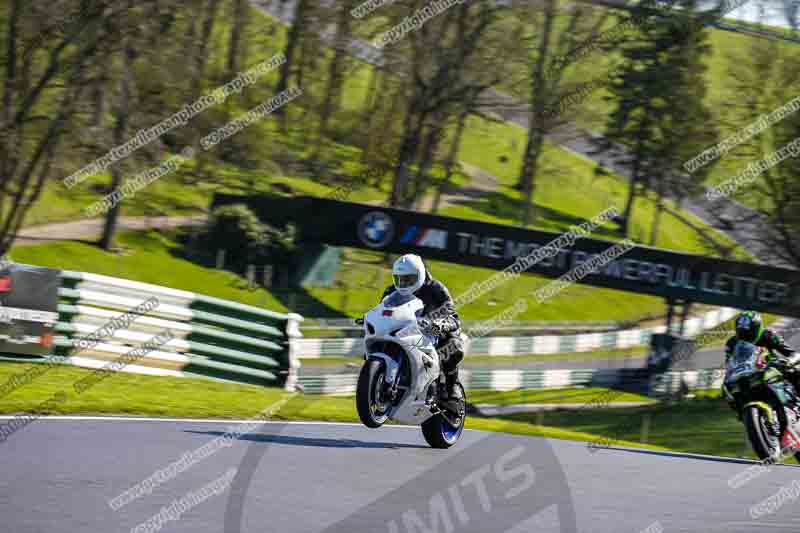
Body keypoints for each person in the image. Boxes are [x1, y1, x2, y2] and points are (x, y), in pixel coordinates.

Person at [382, 254, 464, 402]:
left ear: (420, 275)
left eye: (408, 279)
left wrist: (441, 324)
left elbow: (453, 316)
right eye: (400, 279)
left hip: (433, 332)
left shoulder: (436, 289)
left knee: (453, 346)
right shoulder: (391, 292)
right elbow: (381, 311)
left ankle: (452, 385)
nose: (404, 283)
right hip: (405, 330)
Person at [725, 311, 800, 449]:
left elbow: (792, 353)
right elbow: (729, 363)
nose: (746, 336)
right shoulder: (732, 343)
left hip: (769, 368)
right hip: (747, 373)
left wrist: (790, 361)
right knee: (729, 392)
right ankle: (755, 423)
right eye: (742, 333)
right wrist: (727, 378)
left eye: (749, 332)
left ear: (758, 328)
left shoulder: (769, 335)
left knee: (794, 371)